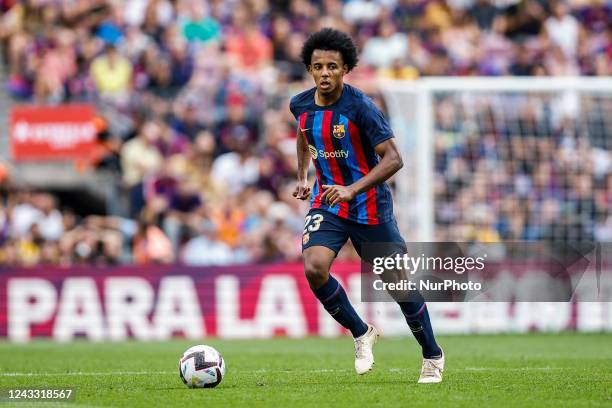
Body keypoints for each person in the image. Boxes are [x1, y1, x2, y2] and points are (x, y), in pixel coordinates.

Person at [290, 28, 444, 383]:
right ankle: (361, 332)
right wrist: (302, 175)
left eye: (332, 66)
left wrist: (351, 189)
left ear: (346, 69)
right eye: (318, 67)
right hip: (328, 202)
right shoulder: (299, 104)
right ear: (310, 69)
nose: (324, 73)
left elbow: (393, 159)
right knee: (314, 267)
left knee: (398, 286)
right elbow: (303, 134)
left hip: (369, 207)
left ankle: (432, 355)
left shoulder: (361, 107)